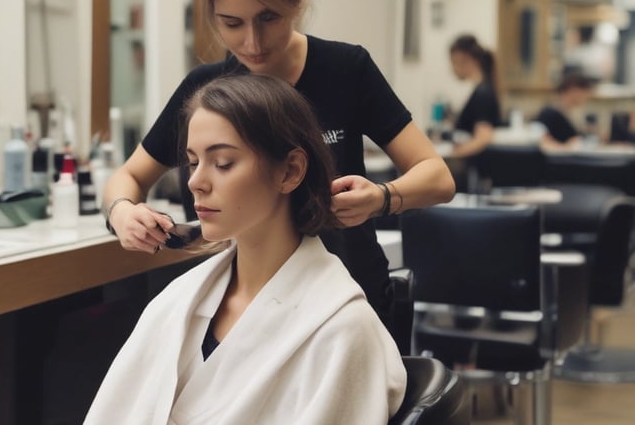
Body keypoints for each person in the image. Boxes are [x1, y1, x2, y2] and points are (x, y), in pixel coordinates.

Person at [103, 0, 455, 327]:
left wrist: (381, 198)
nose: (252, 43)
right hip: (248, 303)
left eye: (268, 18)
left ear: (296, 3)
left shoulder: (346, 70)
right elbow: (130, 176)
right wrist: (122, 212)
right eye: (232, 24)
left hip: (348, 294)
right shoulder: (207, 90)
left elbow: (438, 178)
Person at [86, 73, 406, 424]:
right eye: (193, 162)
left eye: (223, 163)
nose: (195, 181)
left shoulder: (339, 330)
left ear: (290, 171)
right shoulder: (176, 304)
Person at [535, 73, 595, 149]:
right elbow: (541, 142)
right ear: (573, 90)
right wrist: (566, 148)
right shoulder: (549, 114)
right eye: (584, 92)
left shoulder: (569, 113)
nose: (586, 97)